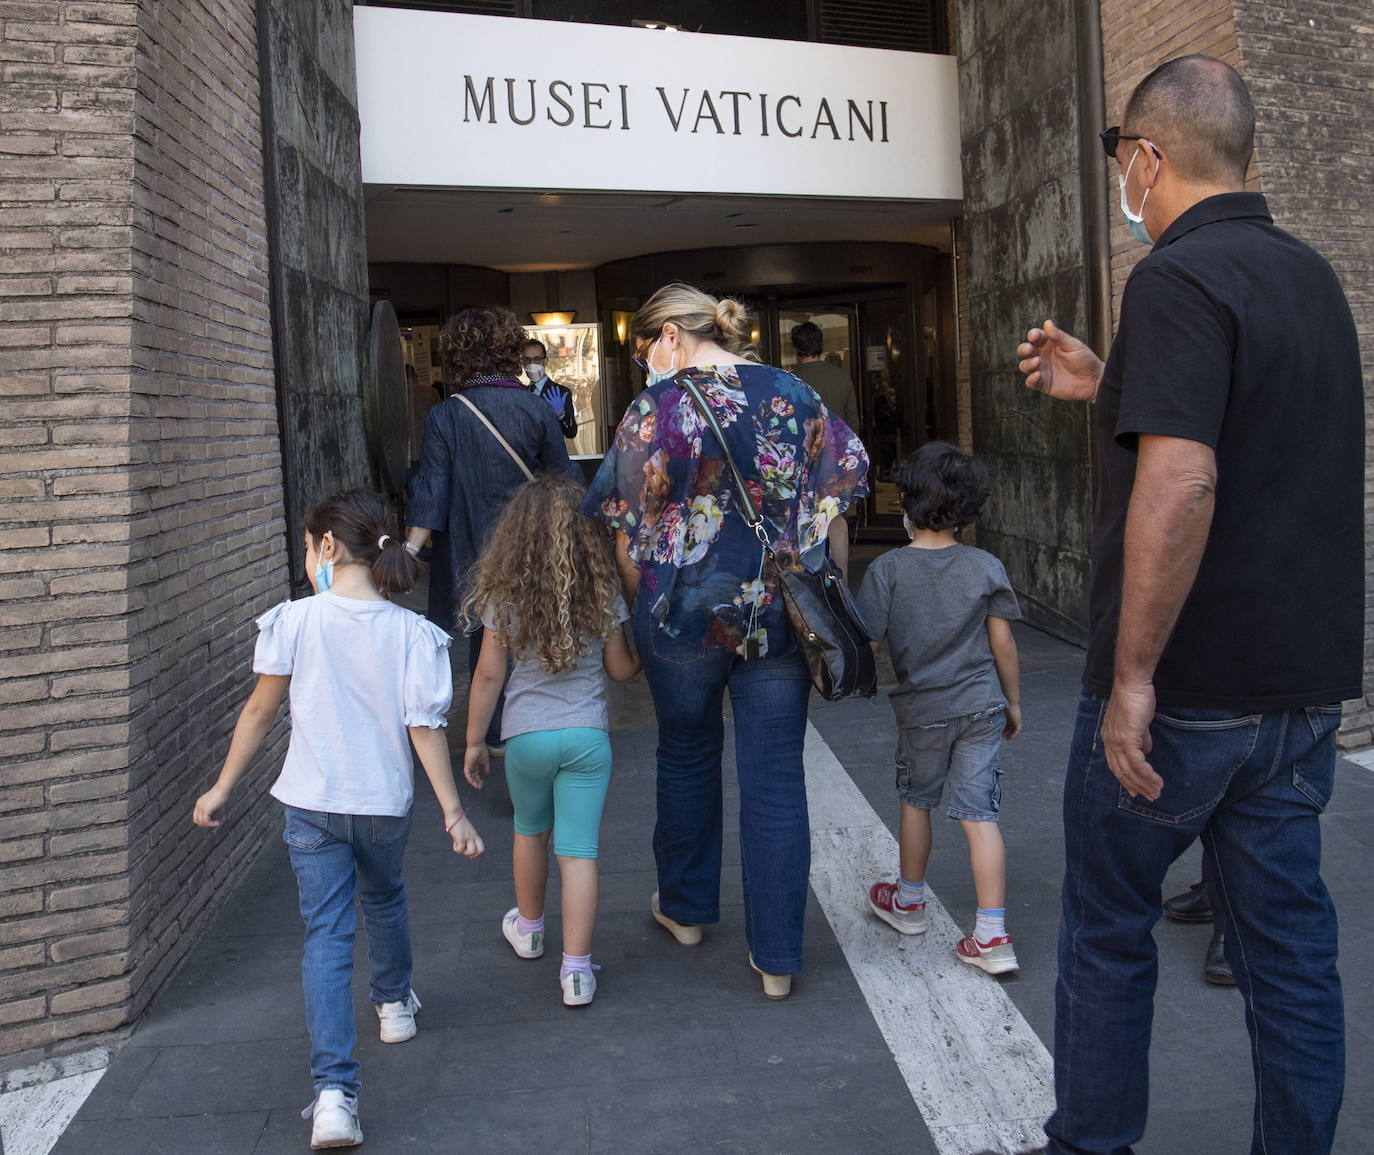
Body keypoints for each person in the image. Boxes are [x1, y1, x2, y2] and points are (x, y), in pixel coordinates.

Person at [1016, 56, 1362, 1154]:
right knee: (1291, 955)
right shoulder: (1308, 277)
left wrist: (1129, 680)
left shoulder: (1174, 278)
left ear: (1149, 158)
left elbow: (1187, 479)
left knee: (1109, 932)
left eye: (1124, 158)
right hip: (1300, 696)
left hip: (1186, 696)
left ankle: (1090, 1143)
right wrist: (1110, 380)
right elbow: (1242, 427)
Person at [583, 283, 868, 1001]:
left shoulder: (655, 409)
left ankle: (684, 908)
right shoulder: (794, 393)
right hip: (779, 612)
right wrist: (821, 579)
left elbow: (626, 535)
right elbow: (834, 501)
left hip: (683, 616)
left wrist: (641, 603)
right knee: (775, 777)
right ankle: (777, 958)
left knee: (684, 751)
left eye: (646, 344)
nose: (646, 358)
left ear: (671, 336)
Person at [191, 490, 484, 1150]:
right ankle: (393, 1005)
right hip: (382, 805)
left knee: (326, 934)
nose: (305, 558)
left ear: (326, 548)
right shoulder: (413, 633)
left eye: (305, 546)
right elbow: (425, 727)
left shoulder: (294, 622)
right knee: (385, 898)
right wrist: (454, 813)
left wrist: (221, 786)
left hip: (311, 804)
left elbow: (258, 714)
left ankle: (334, 1096)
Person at [461, 475, 640, 1007]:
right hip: (587, 737)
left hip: (526, 738)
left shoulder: (506, 592)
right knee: (579, 852)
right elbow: (622, 669)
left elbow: (489, 676)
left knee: (529, 831)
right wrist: (647, 651)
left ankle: (531, 929)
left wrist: (473, 741)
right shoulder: (600, 590)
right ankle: (578, 971)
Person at [856, 442, 1023, 974]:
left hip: (923, 710)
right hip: (982, 706)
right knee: (980, 816)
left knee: (917, 799)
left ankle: (908, 901)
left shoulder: (888, 569)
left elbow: (870, 640)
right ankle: (992, 936)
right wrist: (1013, 702)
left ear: (906, 501)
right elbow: (1003, 646)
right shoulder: (984, 565)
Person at [406, 307, 580, 752]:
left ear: (459, 356)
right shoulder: (537, 410)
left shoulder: (445, 416)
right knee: (534, 633)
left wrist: (407, 551)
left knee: (486, 640)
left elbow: (432, 493)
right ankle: (536, 726)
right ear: (510, 351)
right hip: (535, 546)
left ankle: (498, 730)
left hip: (473, 551)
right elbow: (564, 483)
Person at [791, 321, 860, 431]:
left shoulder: (790, 381)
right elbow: (853, 421)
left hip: (807, 446)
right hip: (839, 444)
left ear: (796, 348)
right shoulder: (842, 376)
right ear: (820, 344)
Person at [523, 338, 578, 439]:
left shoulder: (561, 392)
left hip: (551, 453)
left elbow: (571, 433)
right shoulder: (522, 393)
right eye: (527, 359)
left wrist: (561, 415)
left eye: (537, 359)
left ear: (545, 361)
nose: (532, 364)